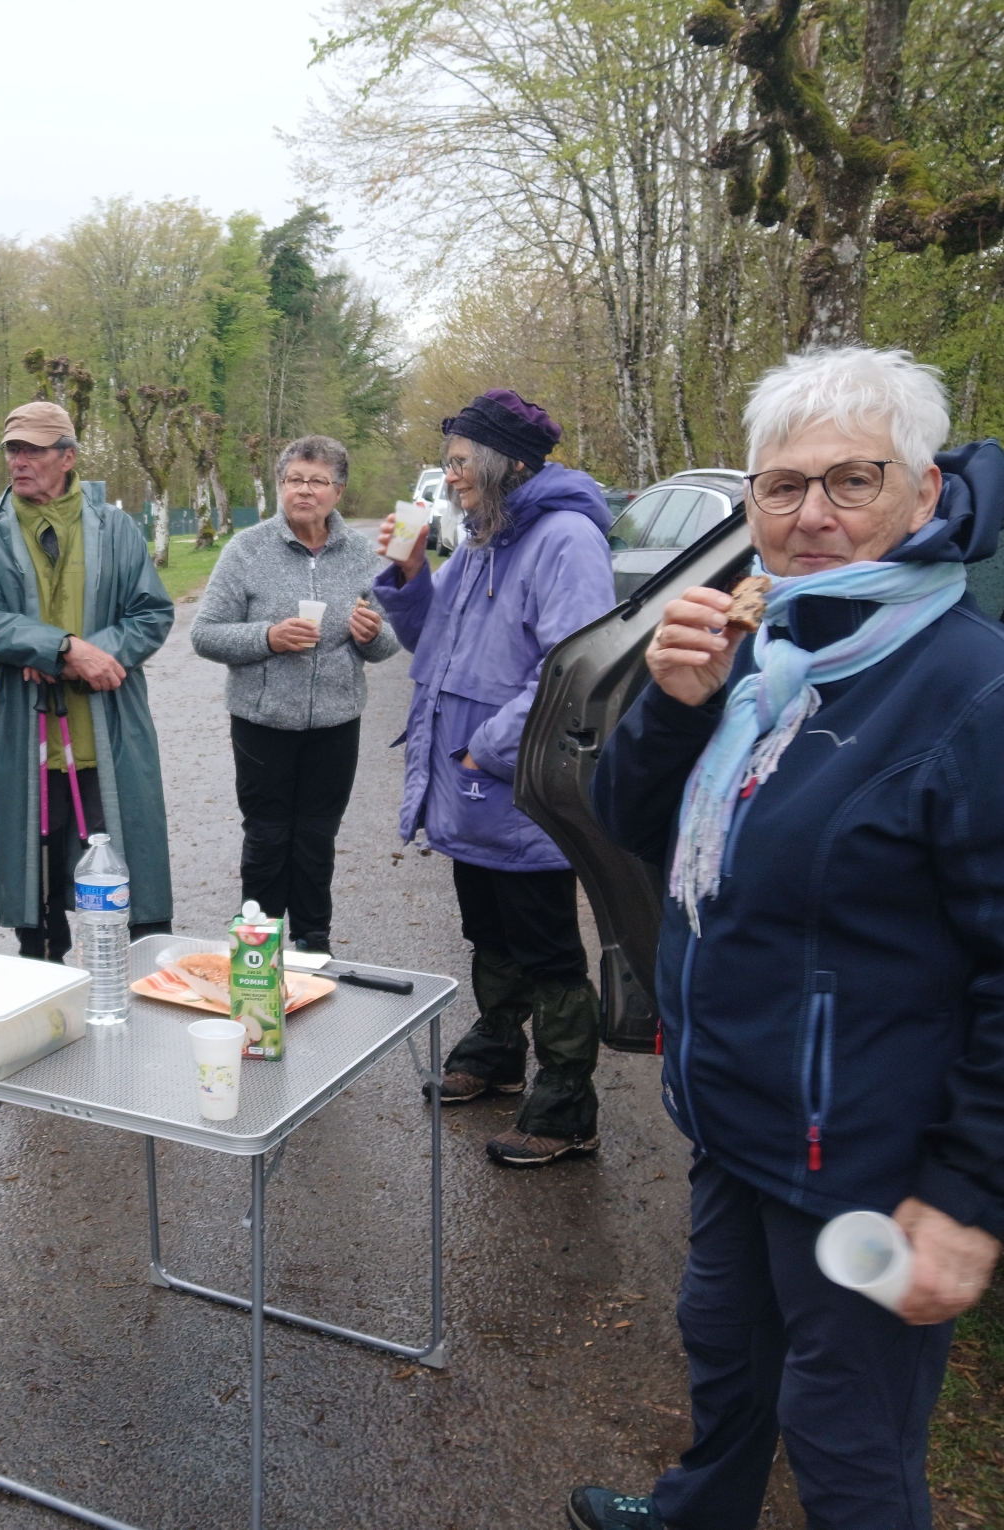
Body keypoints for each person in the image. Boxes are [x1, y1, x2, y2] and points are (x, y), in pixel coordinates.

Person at [570, 348, 1004, 1530]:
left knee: (848, 1437)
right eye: (781, 485)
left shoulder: (969, 693)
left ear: (924, 491)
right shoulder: (772, 643)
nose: (812, 515)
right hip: (738, 1122)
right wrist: (672, 707)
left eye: (852, 480)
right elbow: (629, 824)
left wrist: (965, 1193)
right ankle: (697, 1514)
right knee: (725, 1353)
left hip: (864, 1167)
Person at [371, 389, 616, 1168]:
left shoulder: (566, 539)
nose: (449, 477)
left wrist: (487, 748)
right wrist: (409, 574)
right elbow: (431, 641)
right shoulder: (482, 539)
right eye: (447, 463)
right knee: (488, 928)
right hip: (469, 786)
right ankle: (500, 1048)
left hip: (522, 785)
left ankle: (568, 1102)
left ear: (507, 464)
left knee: (548, 948)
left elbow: (575, 668)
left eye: (458, 463)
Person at [0, 400, 176, 960]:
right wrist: (61, 648)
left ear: (68, 457)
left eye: (33, 450)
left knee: (129, 871)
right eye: (13, 450)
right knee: (37, 881)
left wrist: (90, 657)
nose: (19, 461)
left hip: (108, 728)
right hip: (28, 733)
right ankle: (45, 985)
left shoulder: (116, 528)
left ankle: (137, 985)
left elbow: (152, 614)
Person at [190, 435, 398, 957]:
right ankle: (257, 951)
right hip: (262, 722)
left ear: (338, 491)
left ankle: (312, 944)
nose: (304, 490)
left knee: (317, 837)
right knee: (266, 837)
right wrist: (268, 637)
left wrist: (372, 634)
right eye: (294, 480)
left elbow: (389, 643)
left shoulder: (364, 556)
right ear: (281, 486)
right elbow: (205, 634)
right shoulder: (246, 550)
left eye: (317, 481)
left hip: (336, 721)